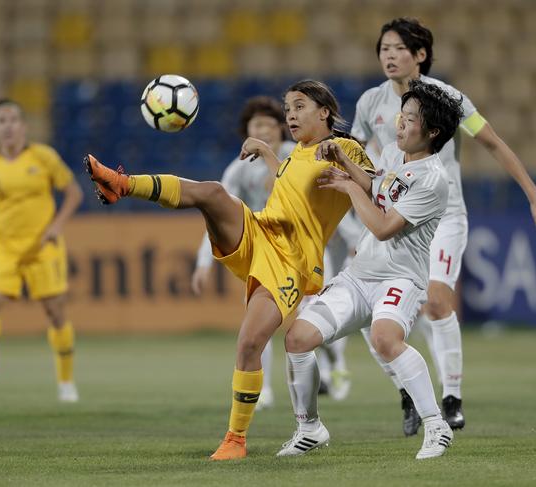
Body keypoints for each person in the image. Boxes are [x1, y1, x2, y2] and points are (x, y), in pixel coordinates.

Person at [84, 79, 374, 460]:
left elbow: (375, 187)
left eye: (299, 106)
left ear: (325, 112)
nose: (290, 114)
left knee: (250, 342)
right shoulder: (297, 155)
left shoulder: (343, 147)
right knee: (213, 193)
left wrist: (345, 161)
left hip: (291, 262)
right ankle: (120, 184)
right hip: (260, 231)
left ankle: (236, 439)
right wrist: (269, 153)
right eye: (288, 107)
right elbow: (290, 186)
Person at [351, 17, 536, 434]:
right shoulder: (370, 103)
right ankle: (408, 392)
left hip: (442, 214)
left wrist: (533, 194)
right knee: (366, 305)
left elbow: (492, 142)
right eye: (383, 49)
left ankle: (451, 397)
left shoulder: (447, 100)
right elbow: (359, 150)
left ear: (420, 56)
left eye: (398, 49)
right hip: (394, 213)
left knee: (435, 301)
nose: (389, 56)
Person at [278, 79, 461, 460]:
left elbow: (381, 225)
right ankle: (309, 427)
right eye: (402, 115)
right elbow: (379, 187)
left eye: (410, 119)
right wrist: (347, 165)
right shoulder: (395, 153)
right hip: (359, 276)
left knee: (384, 339)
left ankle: (436, 425)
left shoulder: (433, 180)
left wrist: (348, 188)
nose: (400, 123)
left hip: (400, 279)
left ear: (432, 132)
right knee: (297, 339)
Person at [191, 96, 353, 410]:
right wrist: (203, 263)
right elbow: (215, 214)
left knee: (318, 319)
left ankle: (336, 365)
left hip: (308, 251)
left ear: (280, 127)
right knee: (258, 321)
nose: (263, 130)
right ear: (247, 132)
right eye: (256, 125)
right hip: (266, 254)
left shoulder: (299, 156)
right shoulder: (238, 170)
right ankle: (263, 388)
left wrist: (351, 235)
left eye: (268, 123)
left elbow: (334, 194)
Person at [0, 98, 84, 402]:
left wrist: (57, 225)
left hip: (44, 246)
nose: (7, 126)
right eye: (1, 121)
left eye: (13, 120)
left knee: (55, 313)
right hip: (6, 248)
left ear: (23, 126)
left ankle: (66, 382)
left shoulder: (43, 157)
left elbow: (74, 193)